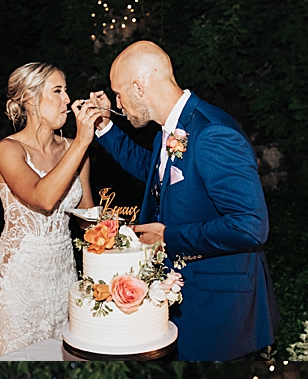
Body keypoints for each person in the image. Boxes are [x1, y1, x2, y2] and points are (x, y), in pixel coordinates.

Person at [86, 41, 279, 360]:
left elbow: (250, 226)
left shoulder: (212, 133)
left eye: (119, 94)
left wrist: (169, 237)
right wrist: (104, 127)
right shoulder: (171, 129)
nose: (117, 104)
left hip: (221, 310)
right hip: (186, 296)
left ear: (139, 87)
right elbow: (150, 170)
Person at [0, 62, 101, 358]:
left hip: (64, 273)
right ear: (30, 99)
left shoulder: (75, 149)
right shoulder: (8, 150)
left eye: (66, 90)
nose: (67, 99)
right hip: (19, 277)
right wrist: (83, 141)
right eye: (57, 91)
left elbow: (87, 219)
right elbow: (43, 198)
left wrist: (118, 231)